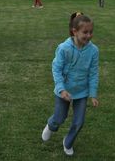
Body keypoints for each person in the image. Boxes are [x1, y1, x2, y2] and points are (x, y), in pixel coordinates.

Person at [41, 12, 99, 156]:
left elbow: (93, 73)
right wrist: (61, 89)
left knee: (79, 122)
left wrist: (93, 94)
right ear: (75, 31)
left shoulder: (93, 51)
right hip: (64, 91)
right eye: (85, 32)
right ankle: (51, 125)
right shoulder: (64, 48)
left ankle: (68, 142)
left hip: (82, 92)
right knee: (59, 118)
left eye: (91, 32)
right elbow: (56, 69)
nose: (89, 35)